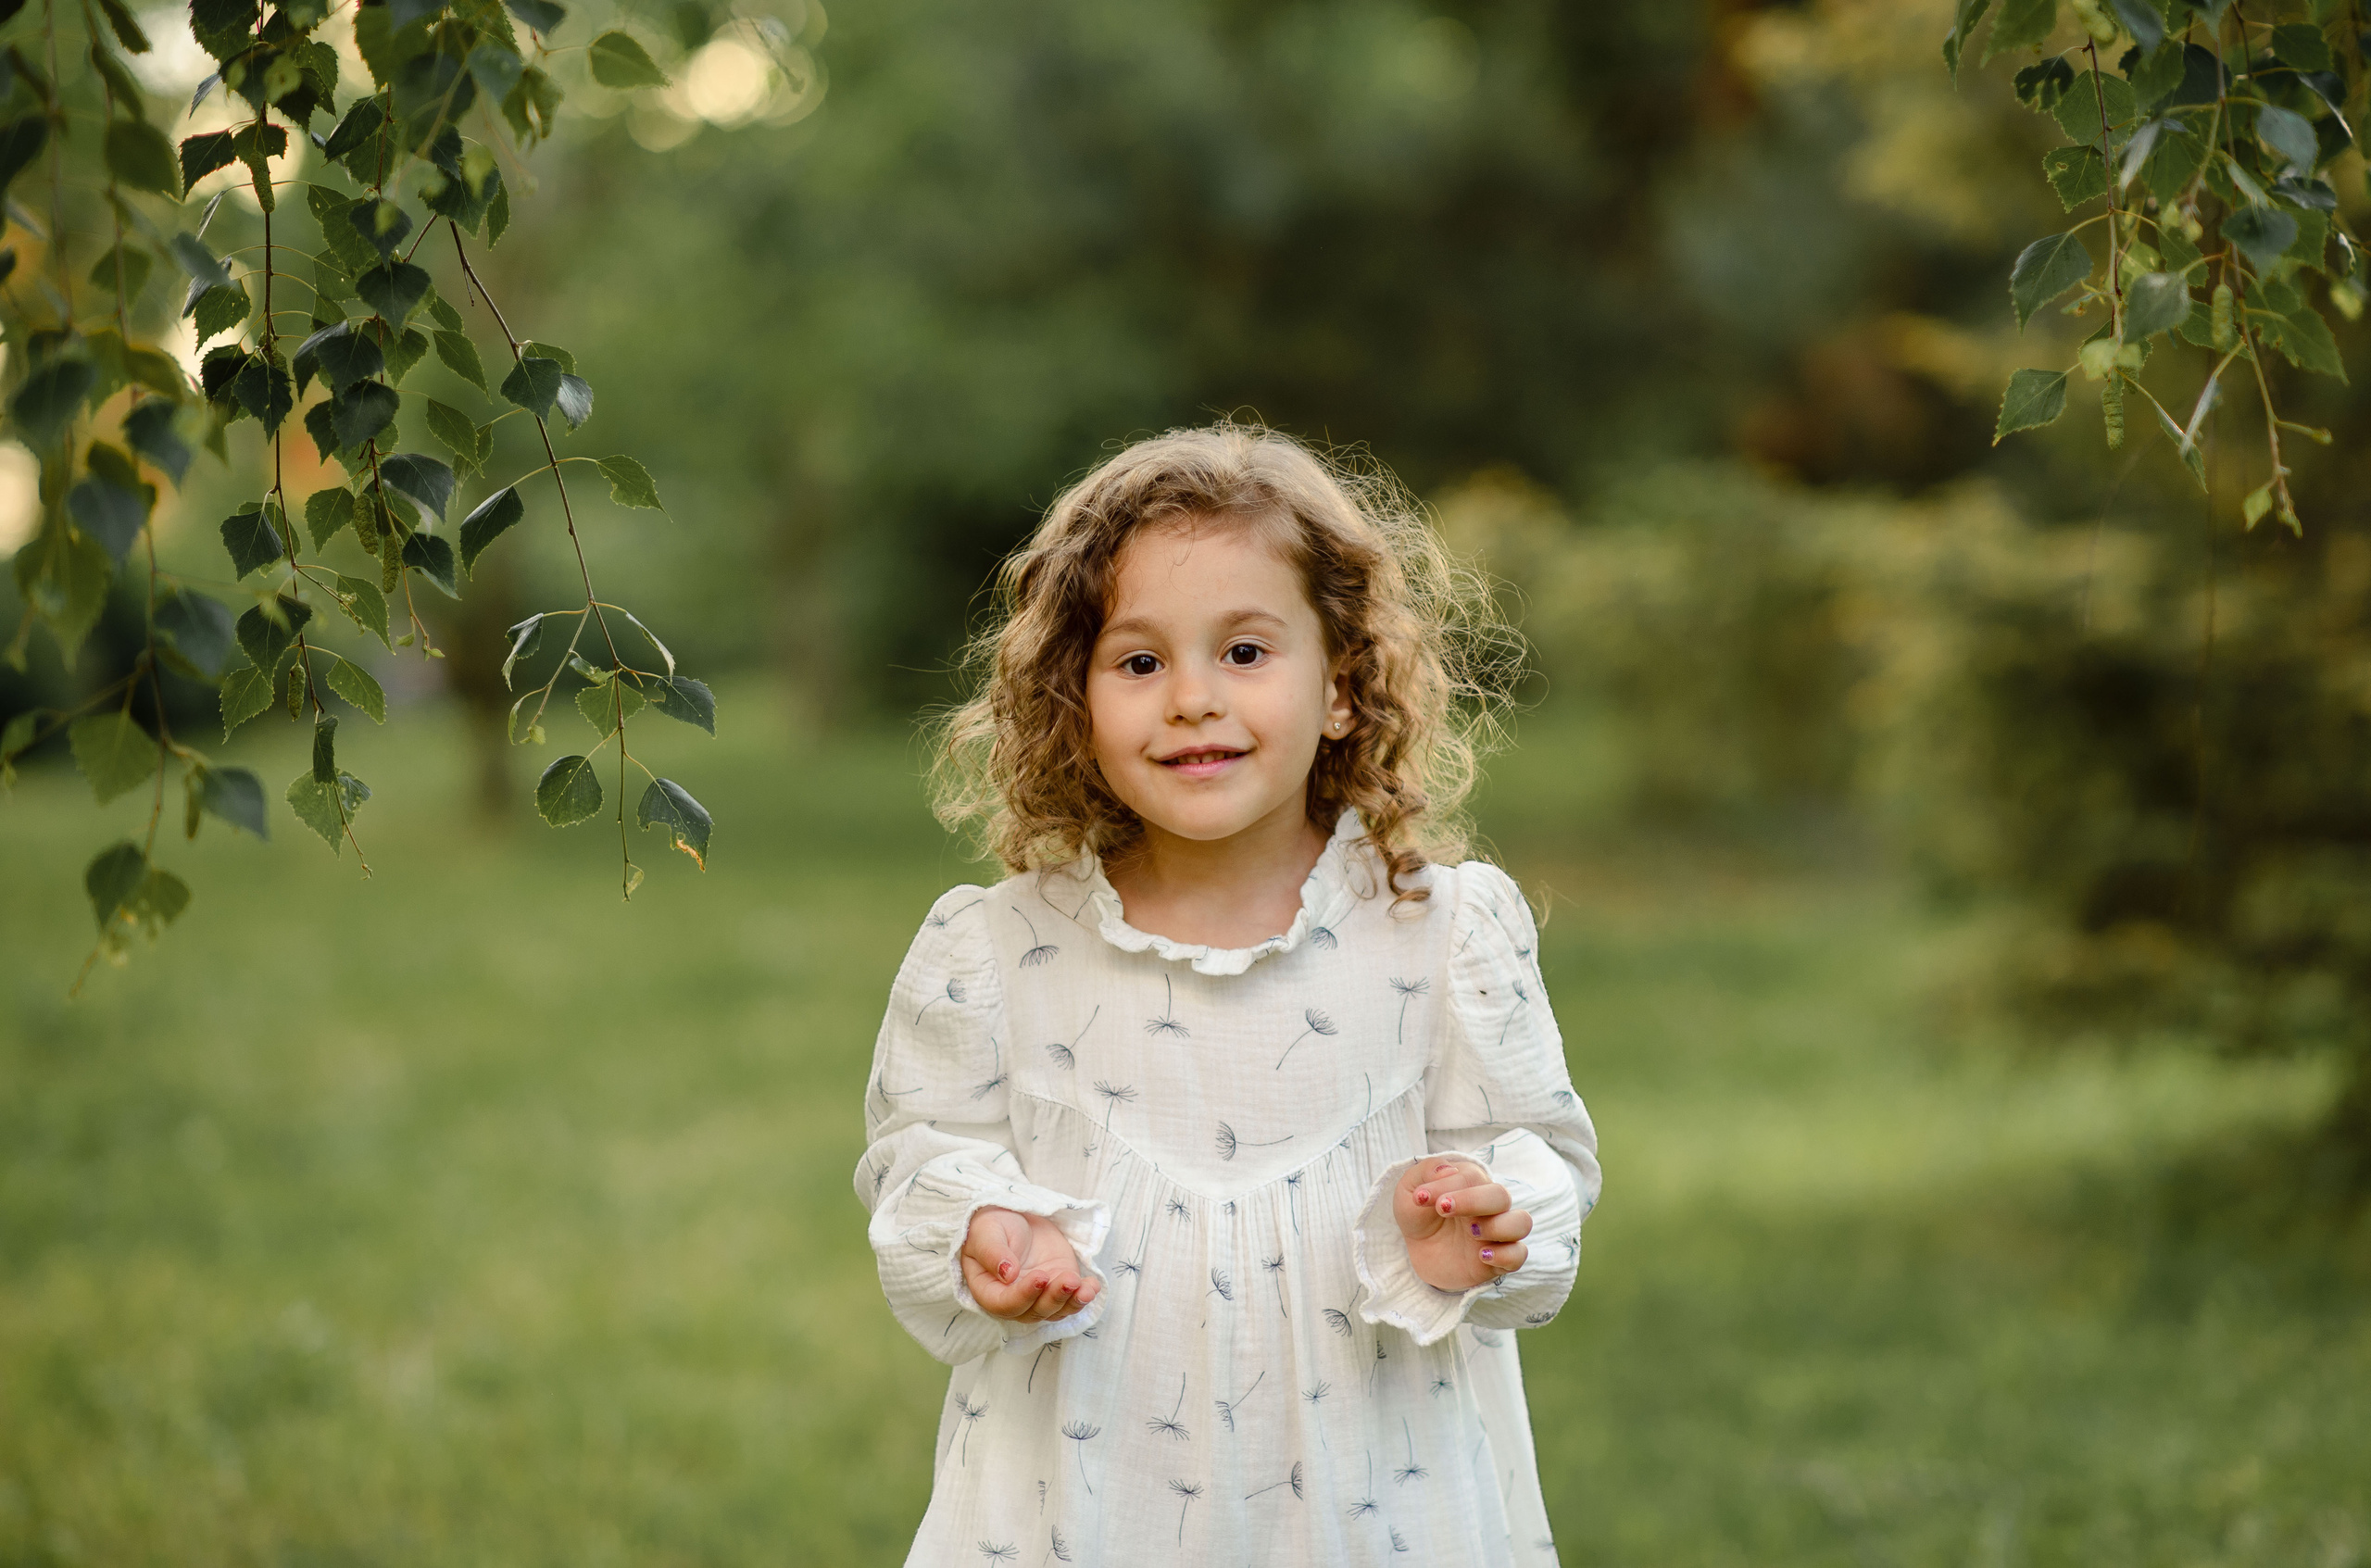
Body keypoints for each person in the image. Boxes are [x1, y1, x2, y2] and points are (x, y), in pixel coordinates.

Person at [855, 423, 1601, 1565]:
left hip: (1378, 1510)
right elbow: (919, 1163)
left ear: (1343, 687)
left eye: (1245, 652)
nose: (1192, 698)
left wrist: (1485, 1220)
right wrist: (983, 1233)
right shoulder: (999, 951)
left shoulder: (1444, 934)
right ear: (1075, 697)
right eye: (1140, 662)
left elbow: (1537, 1159)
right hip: (1087, 1509)